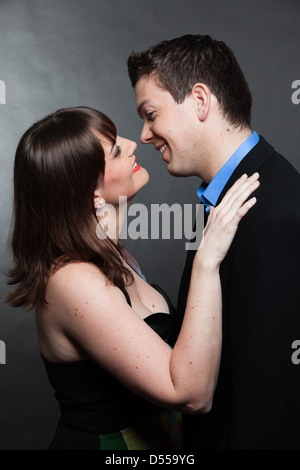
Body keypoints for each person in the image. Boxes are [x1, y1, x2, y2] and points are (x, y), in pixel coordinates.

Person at [5, 106, 259, 450]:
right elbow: (191, 395)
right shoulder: (73, 280)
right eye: (116, 151)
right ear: (93, 193)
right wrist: (207, 260)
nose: (133, 143)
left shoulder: (115, 256)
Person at [127, 34, 300, 450]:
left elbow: (271, 403)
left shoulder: (271, 217)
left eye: (151, 114)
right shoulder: (222, 194)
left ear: (201, 101)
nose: (145, 135)